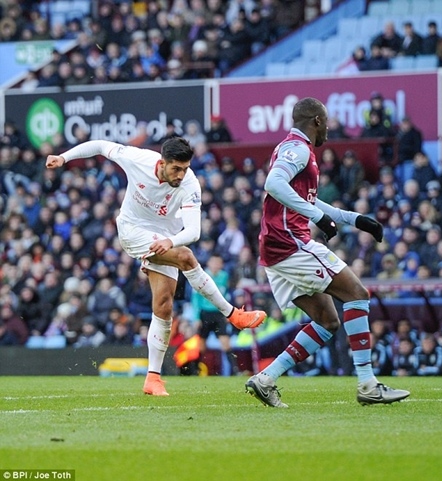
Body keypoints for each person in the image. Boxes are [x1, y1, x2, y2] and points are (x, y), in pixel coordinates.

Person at [45, 137, 265, 396]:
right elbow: (101, 146)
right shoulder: (137, 159)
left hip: (165, 239)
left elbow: (193, 231)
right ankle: (232, 315)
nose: (181, 175)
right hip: (132, 231)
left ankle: (153, 379)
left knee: (163, 306)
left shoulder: (190, 184)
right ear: (162, 163)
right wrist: (64, 158)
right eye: (176, 169)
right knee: (185, 258)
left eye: (185, 168)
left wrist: (169, 241)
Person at [244, 97, 410, 408]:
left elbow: (305, 199)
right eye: (328, 123)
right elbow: (274, 183)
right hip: (290, 241)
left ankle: (266, 379)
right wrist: (318, 219)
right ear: (317, 121)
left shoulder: (292, 149)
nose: (330, 130)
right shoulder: (299, 148)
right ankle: (368, 384)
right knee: (357, 293)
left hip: (275, 248)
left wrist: (354, 219)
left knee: (328, 321)